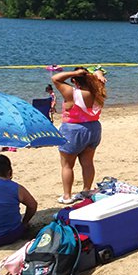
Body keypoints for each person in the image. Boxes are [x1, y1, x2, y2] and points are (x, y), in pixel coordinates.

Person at [52, 66, 106, 204]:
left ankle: (67, 196)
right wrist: (97, 73)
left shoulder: (71, 92)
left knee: (67, 165)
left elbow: (55, 78)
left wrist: (74, 73)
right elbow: (100, 74)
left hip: (73, 129)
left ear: (75, 80)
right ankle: (86, 191)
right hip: (93, 129)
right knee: (87, 163)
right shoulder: (98, 90)